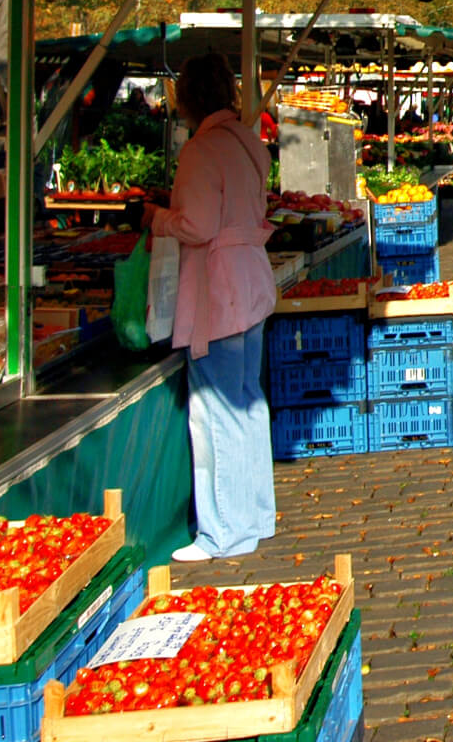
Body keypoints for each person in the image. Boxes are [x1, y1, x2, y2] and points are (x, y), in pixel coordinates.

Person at [146, 53, 277, 562]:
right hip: (248, 282)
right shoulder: (248, 144)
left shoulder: (202, 150)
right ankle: (256, 515)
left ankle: (224, 532)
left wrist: (158, 218)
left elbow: (196, 225)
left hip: (220, 290)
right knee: (247, 401)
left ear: (189, 99)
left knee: (217, 412)